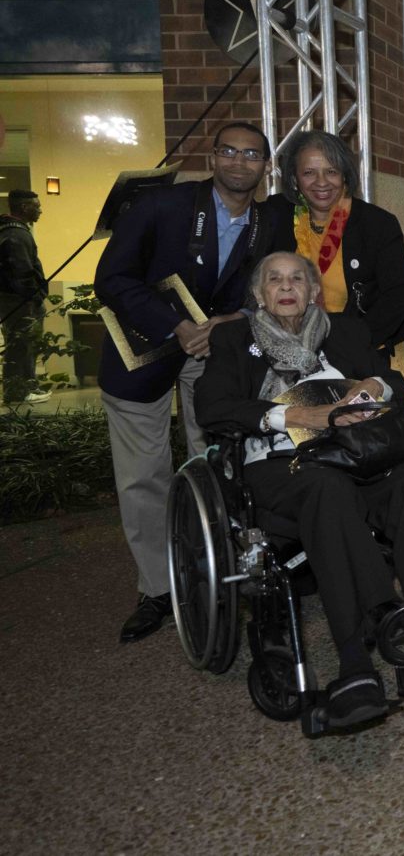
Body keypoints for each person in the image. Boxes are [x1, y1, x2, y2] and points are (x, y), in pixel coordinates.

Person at [195, 251, 404, 728]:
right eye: (275, 280)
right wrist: (293, 416)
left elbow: (396, 385)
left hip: (358, 454)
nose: (287, 288)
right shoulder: (234, 338)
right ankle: (358, 659)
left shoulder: (344, 332)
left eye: (297, 280)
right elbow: (213, 408)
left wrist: (371, 385)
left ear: (313, 292)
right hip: (285, 466)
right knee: (328, 491)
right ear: (259, 294)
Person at [98, 122, 287, 643]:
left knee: (219, 459)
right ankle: (159, 588)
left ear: (265, 165)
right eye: (229, 151)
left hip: (212, 355)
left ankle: (219, 568)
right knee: (144, 476)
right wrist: (173, 324)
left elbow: (270, 289)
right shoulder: (163, 207)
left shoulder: (269, 220)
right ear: (213, 156)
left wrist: (228, 324)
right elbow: (111, 278)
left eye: (252, 155)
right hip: (141, 354)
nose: (239, 162)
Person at [262, 129, 404, 355]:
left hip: (359, 347)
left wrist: (349, 344)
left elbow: (399, 293)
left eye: (331, 171)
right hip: (288, 347)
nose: (321, 182)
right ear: (294, 178)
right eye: (309, 173)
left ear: (345, 175)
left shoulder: (376, 223)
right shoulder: (276, 216)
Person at [0, 189, 48, 403]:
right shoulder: (15, 234)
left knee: (24, 343)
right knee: (20, 344)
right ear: (24, 207)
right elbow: (21, 271)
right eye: (36, 206)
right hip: (20, 301)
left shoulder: (12, 229)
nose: (40, 210)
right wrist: (33, 297)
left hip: (17, 299)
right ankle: (17, 391)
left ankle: (28, 385)